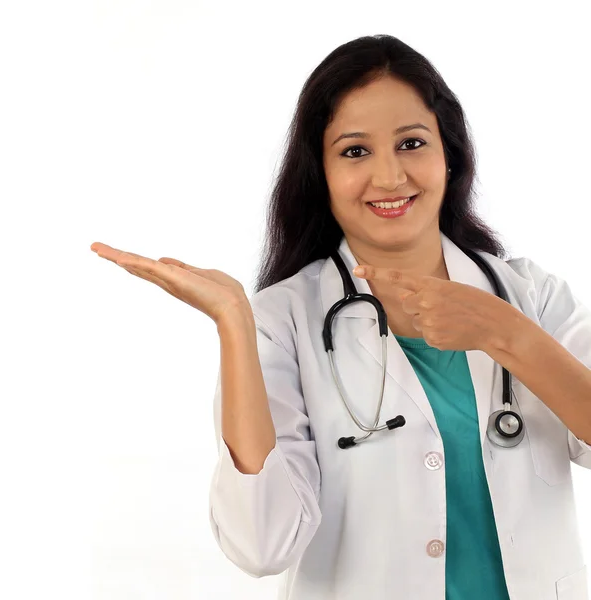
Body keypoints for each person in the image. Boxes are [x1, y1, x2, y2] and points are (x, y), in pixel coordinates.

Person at [90, 35, 591, 600]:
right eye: (355, 151)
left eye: (412, 143)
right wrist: (235, 323)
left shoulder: (532, 296)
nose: (389, 177)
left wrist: (507, 333)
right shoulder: (282, 322)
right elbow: (262, 546)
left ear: (450, 154)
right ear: (319, 174)